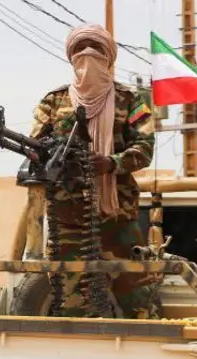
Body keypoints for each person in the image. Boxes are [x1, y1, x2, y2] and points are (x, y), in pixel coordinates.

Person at [29, 24, 156, 319]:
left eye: (96, 49)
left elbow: (144, 147)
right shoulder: (54, 101)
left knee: (137, 300)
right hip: (68, 217)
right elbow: (35, 148)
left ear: (109, 58)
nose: (87, 55)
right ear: (71, 57)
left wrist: (111, 163)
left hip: (117, 217)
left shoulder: (130, 100)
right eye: (80, 49)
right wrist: (59, 157)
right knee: (69, 303)